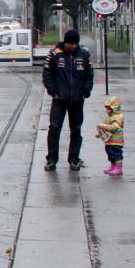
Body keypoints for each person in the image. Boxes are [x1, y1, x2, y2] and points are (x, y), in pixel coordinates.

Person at [42, 28, 95, 171]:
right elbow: (47, 74)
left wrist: (86, 91)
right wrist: (53, 92)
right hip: (59, 99)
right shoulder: (54, 54)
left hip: (77, 99)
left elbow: (89, 75)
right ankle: (52, 159)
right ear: (65, 42)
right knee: (54, 128)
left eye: (75, 43)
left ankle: (74, 159)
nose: (73, 46)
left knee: (76, 130)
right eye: (70, 43)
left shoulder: (84, 55)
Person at [95, 94, 124, 176]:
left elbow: (114, 128)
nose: (107, 110)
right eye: (107, 108)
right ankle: (113, 166)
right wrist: (100, 133)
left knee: (117, 154)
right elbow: (106, 129)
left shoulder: (118, 117)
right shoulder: (109, 117)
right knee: (111, 154)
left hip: (116, 141)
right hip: (109, 141)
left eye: (109, 109)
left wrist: (104, 126)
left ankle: (118, 168)